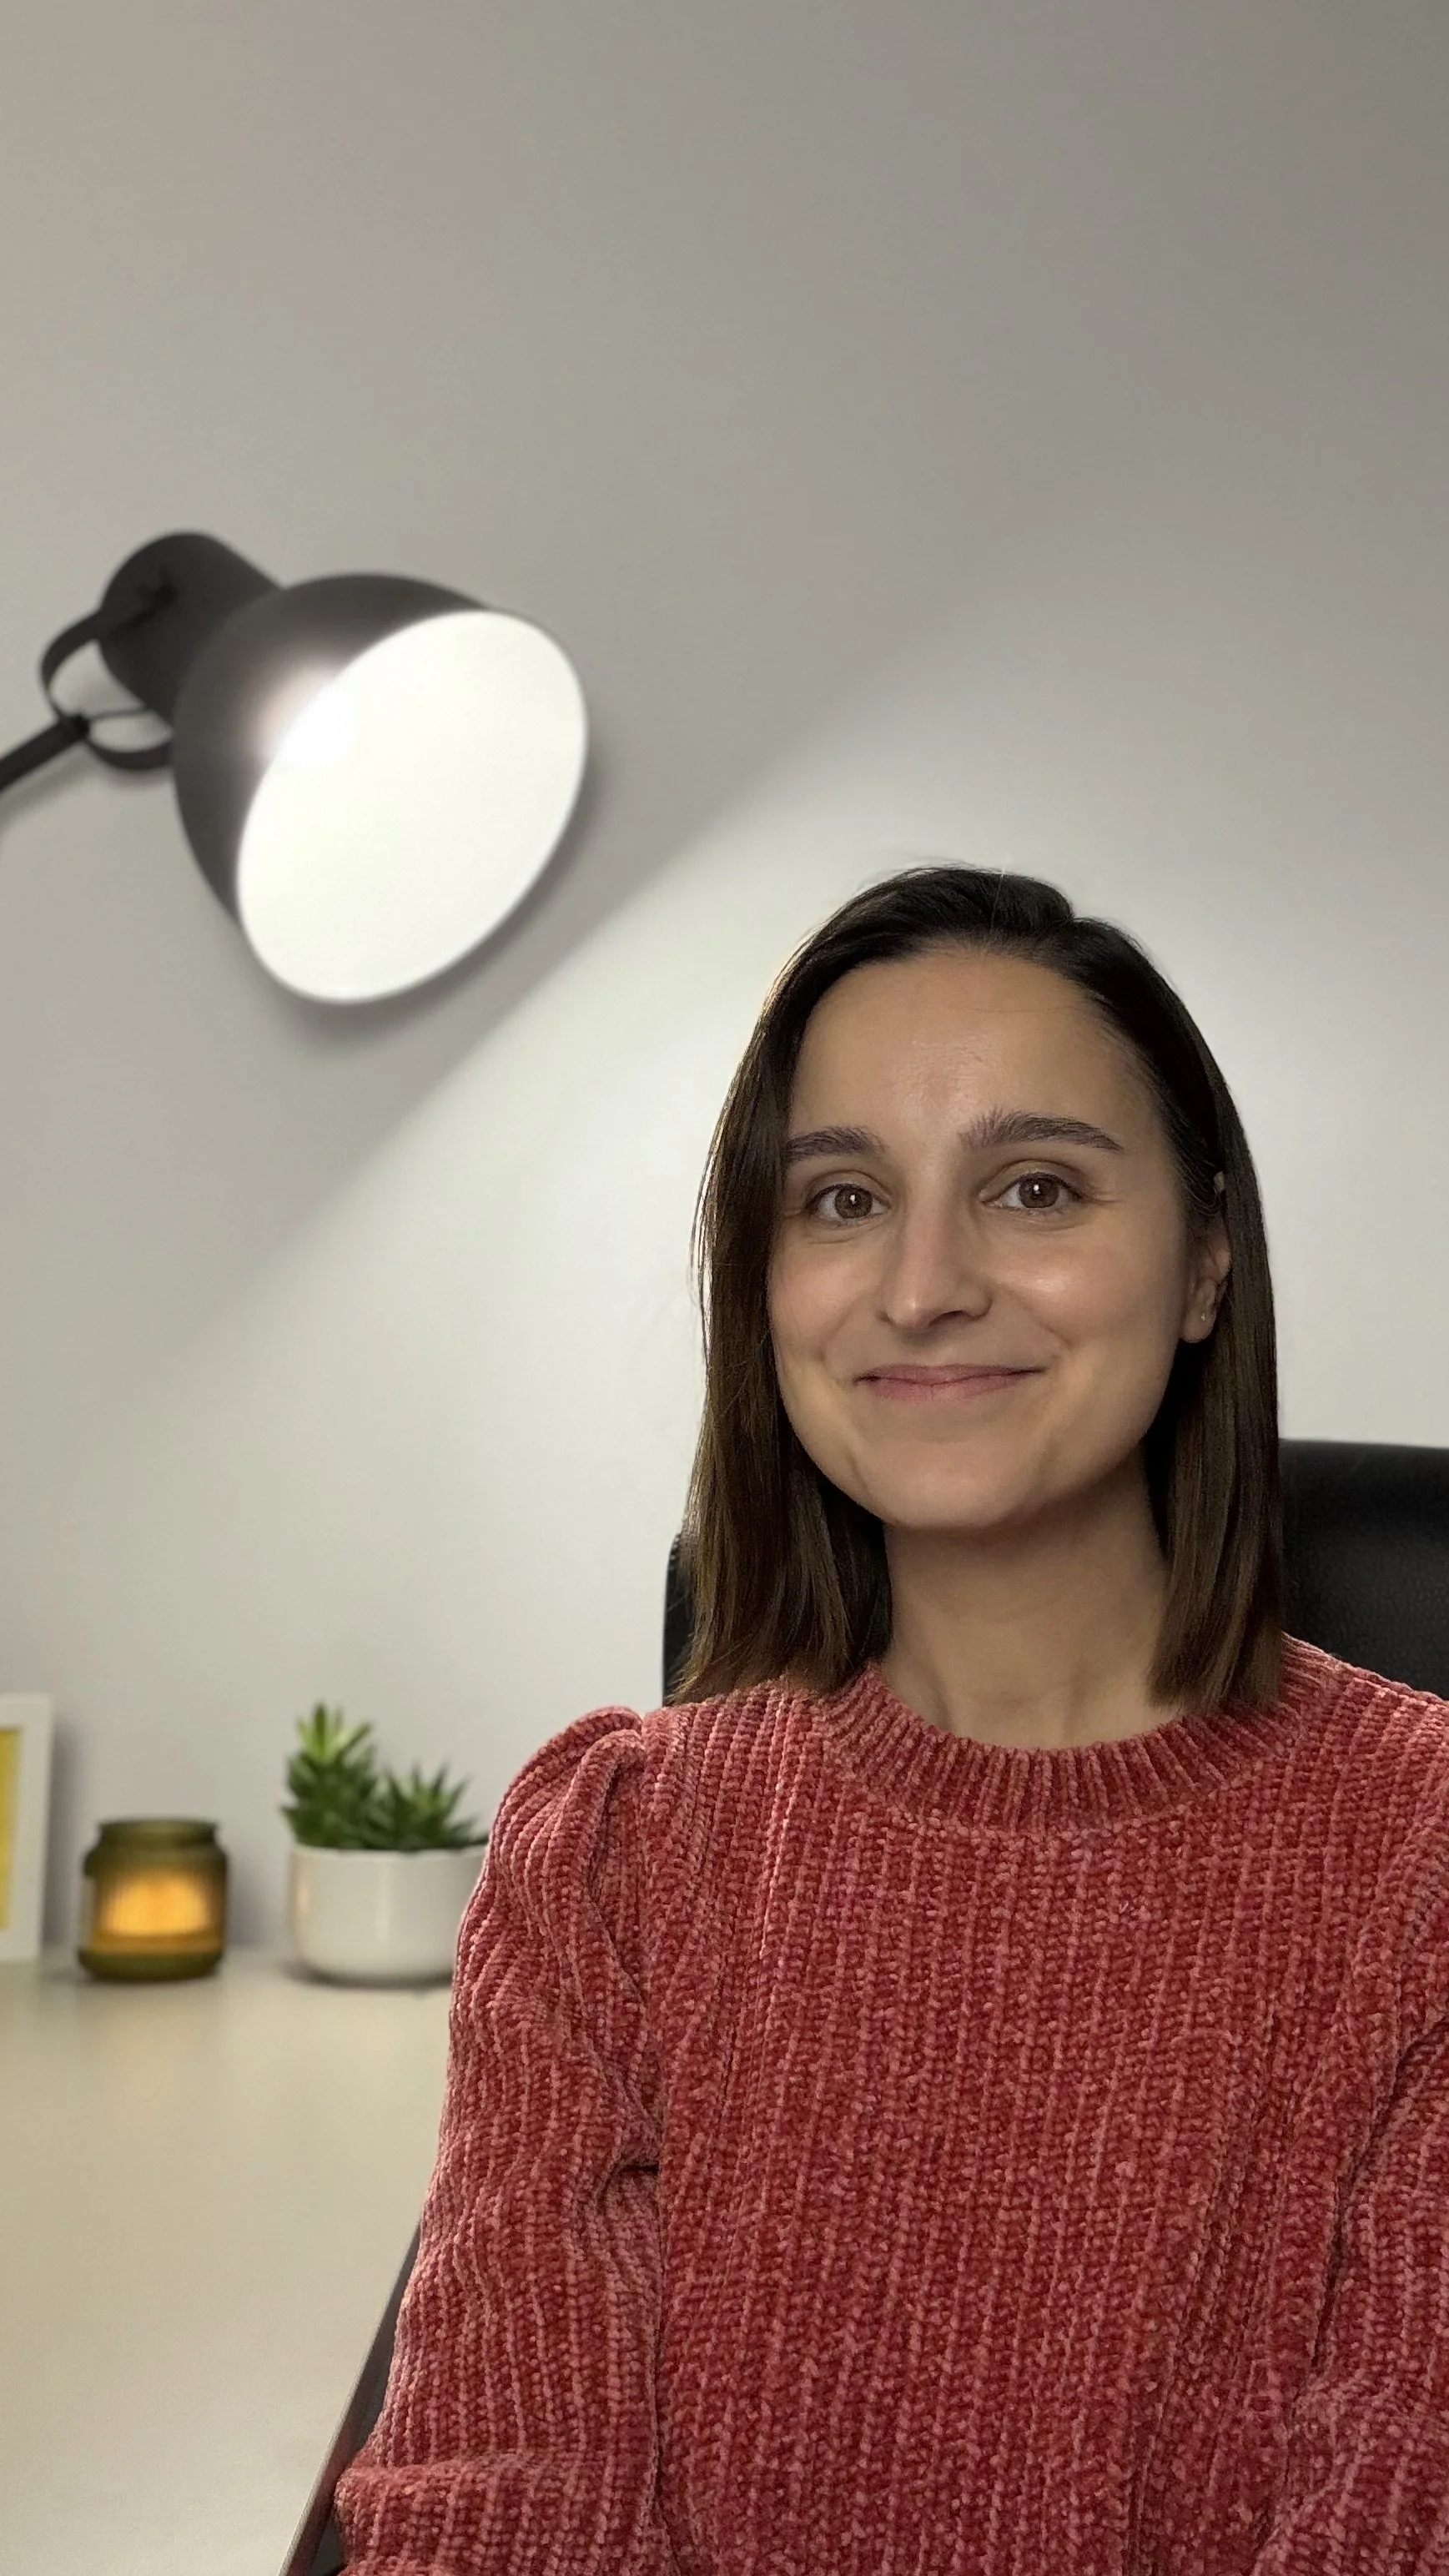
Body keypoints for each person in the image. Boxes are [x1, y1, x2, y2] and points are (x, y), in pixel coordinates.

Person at [335, 865, 1449, 2573]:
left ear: (1206, 1255)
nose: (922, 1283)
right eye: (841, 1198)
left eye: (1032, 1185)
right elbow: (500, 2507)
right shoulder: (612, 1863)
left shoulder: (1423, 1868)